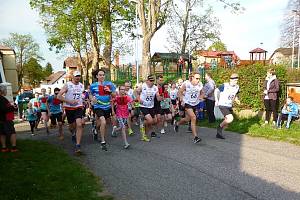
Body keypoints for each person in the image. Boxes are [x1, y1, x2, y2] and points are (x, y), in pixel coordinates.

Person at [57, 70, 85, 154]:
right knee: (72, 127)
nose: (77, 77)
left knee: (79, 124)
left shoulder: (81, 85)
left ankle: (78, 145)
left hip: (78, 107)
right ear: (72, 76)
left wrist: (84, 100)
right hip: (69, 108)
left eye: (79, 76)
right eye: (76, 76)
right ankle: (73, 133)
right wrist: (69, 101)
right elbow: (58, 96)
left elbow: (81, 95)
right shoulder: (67, 85)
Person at [90, 69, 116, 151]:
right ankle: (103, 142)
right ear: (97, 76)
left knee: (102, 123)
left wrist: (110, 91)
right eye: (100, 75)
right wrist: (92, 98)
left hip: (107, 107)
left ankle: (95, 129)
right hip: (98, 106)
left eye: (103, 75)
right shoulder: (93, 85)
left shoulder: (109, 84)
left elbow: (114, 95)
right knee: (103, 121)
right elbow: (90, 94)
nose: (102, 76)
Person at [174, 72, 203, 144]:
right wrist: (182, 99)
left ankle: (177, 123)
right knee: (193, 117)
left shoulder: (200, 84)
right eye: (197, 78)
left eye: (199, 78)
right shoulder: (187, 84)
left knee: (187, 119)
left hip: (195, 103)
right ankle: (195, 137)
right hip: (187, 103)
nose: (198, 80)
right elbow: (179, 92)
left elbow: (202, 93)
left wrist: (201, 97)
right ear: (192, 78)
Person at [214, 73, 240, 139]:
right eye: (234, 80)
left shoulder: (237, 87)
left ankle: (219, 133)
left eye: (237, 80)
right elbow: (216, 90)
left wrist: (237, 100)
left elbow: (235, 95)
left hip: (229, 105)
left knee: (227, 120)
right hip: (222, 104)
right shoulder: (225, 85)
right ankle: (219, 127)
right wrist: (216, 100)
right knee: (230, 118)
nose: (236, 82)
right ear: (230, 80)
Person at [137, 75, 161, 142]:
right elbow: (136, 92)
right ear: (147, 81)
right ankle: (144, 134)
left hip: (151, 106)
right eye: (150, 81)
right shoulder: (143, 86)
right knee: (150, 121)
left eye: (153, 81)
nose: (152, 82)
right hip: (143, 106)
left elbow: (158, 96)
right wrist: (139, 99)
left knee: (154, 121)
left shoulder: (155, 87)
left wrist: (160, 97)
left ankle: (143, 125)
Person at [0, 84, 18, 152]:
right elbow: (3, 109)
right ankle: (14, 148)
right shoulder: (2, 98)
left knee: (2, 133)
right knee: (12, 132)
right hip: (6, 119)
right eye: (6, 90)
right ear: (2, 91)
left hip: (2, 119)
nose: (6, 92)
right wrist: (13, 108)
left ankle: (4, 148)